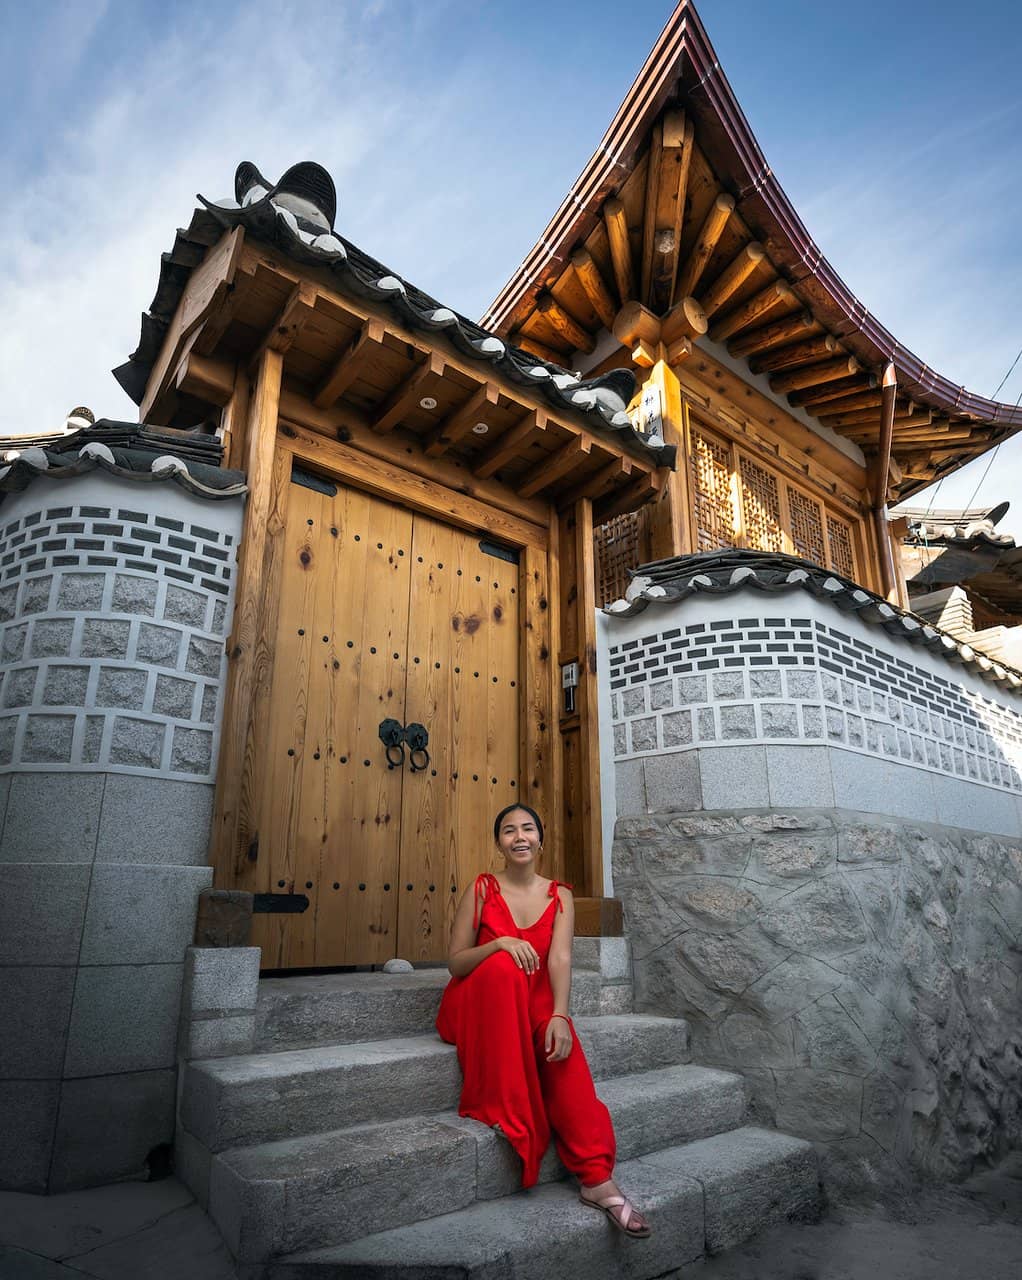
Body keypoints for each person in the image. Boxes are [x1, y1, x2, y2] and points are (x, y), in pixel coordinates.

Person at [435, 803, 651, 1238]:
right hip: (478, 1000)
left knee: (561, 1054)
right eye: (509, 830)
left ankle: (597, 1179)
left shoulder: (560, 895)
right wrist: (500, 945)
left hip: (534, 1001)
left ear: (540, 839)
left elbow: (561, 958)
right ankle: (513, 1107)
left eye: (528, 829)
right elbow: (456, 963)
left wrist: (559, 1015)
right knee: (504, 969)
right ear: (499, 842)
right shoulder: (481, 889)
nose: (519, 836)